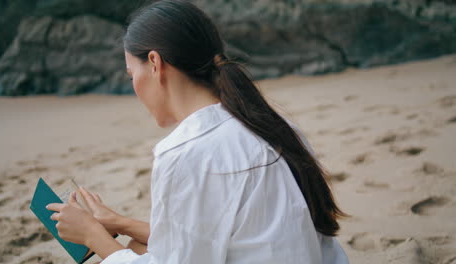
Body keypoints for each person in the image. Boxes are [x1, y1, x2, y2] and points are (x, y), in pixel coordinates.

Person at [46, 0, 350, 263]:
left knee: (122, 255)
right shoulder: (274, 125)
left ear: (154, 64)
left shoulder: (187, 153)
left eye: (131, 74)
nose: (134, 86)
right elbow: (217, 236)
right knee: (138, 245)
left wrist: (91, 236)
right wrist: (120, 224)